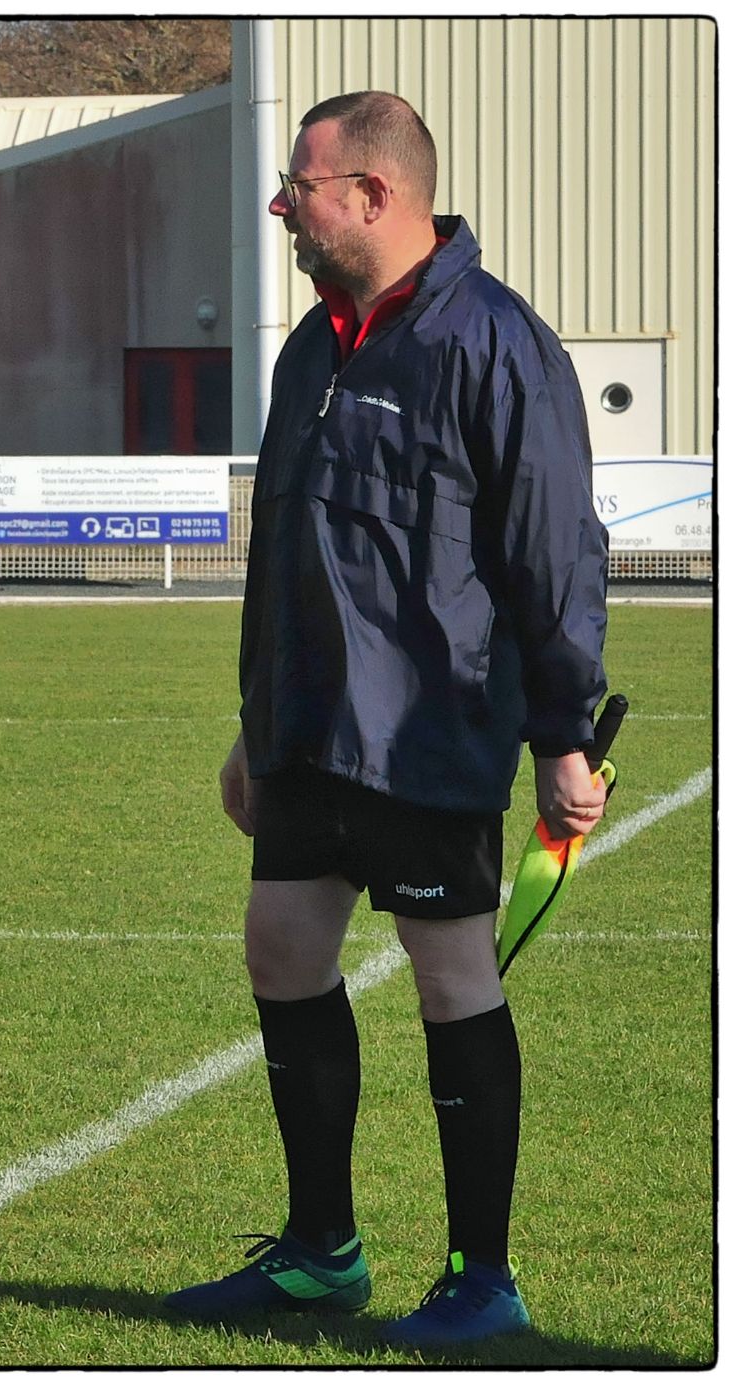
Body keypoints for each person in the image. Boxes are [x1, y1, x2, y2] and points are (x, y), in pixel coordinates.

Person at [162, 92, 608, 1349]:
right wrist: (256, 723)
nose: (278, 206)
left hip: (430, 731)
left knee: (451, 979)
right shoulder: (314, 343)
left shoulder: (491, 342)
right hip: (307, 730)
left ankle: (482, 1279)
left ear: (372, 194)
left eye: (297, 187)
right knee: (279, 952)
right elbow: (285, 558)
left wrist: (561, 734)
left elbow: (550, 552)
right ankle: (320, 1255)